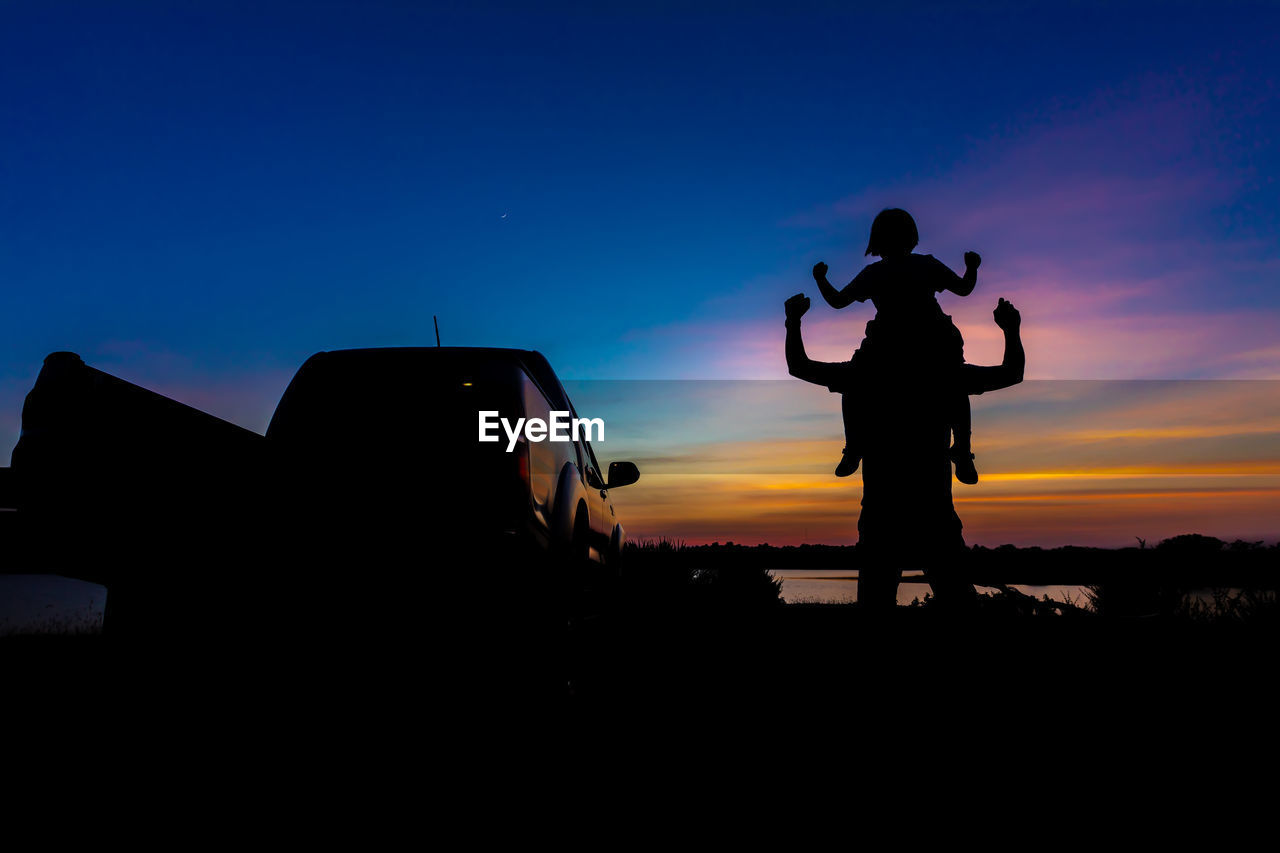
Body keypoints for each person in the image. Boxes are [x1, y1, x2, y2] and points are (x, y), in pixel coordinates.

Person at [784, 290, 1024, 609]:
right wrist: (1010, 330)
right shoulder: (942, 375)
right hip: (930, 514)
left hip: (886, 514)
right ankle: (961, 454)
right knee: (953, 601)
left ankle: (955, 454)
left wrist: (794, 322)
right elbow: (1012, 373)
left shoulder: (871, 374)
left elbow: (800, 366)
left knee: (880, 602)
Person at [811, 208, 982, 484]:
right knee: (856, 383)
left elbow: (838, 301)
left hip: (928, 342)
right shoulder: (894, 270)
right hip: (895, 344)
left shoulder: (915, 267)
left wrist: (820, 279)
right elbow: (964, 288)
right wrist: (972, 267)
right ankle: (856, 446)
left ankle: (961, 449)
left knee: (952, 383)